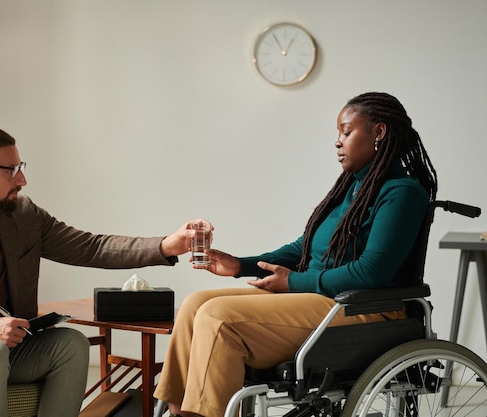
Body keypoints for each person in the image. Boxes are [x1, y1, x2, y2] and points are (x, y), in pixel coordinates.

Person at [0, 124, 211, 417]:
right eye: (10, 170)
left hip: (2, 346)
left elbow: (90, 246)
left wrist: (168, 244)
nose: (22, 179)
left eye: (21, 166)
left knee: (72, 344)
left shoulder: (22, 216)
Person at [153, 92, 438, 417]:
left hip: (362, 307)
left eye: (346, 132)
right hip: (322, 300)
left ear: (379, 133)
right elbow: (305, 247)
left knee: (218, 318)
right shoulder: (354, 187)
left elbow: (371, 273)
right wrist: (240, 266)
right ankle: (177, 411)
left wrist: (294, 283)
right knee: (196, 303)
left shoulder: (401, 192)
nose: (338, 142)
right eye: (338, 134)